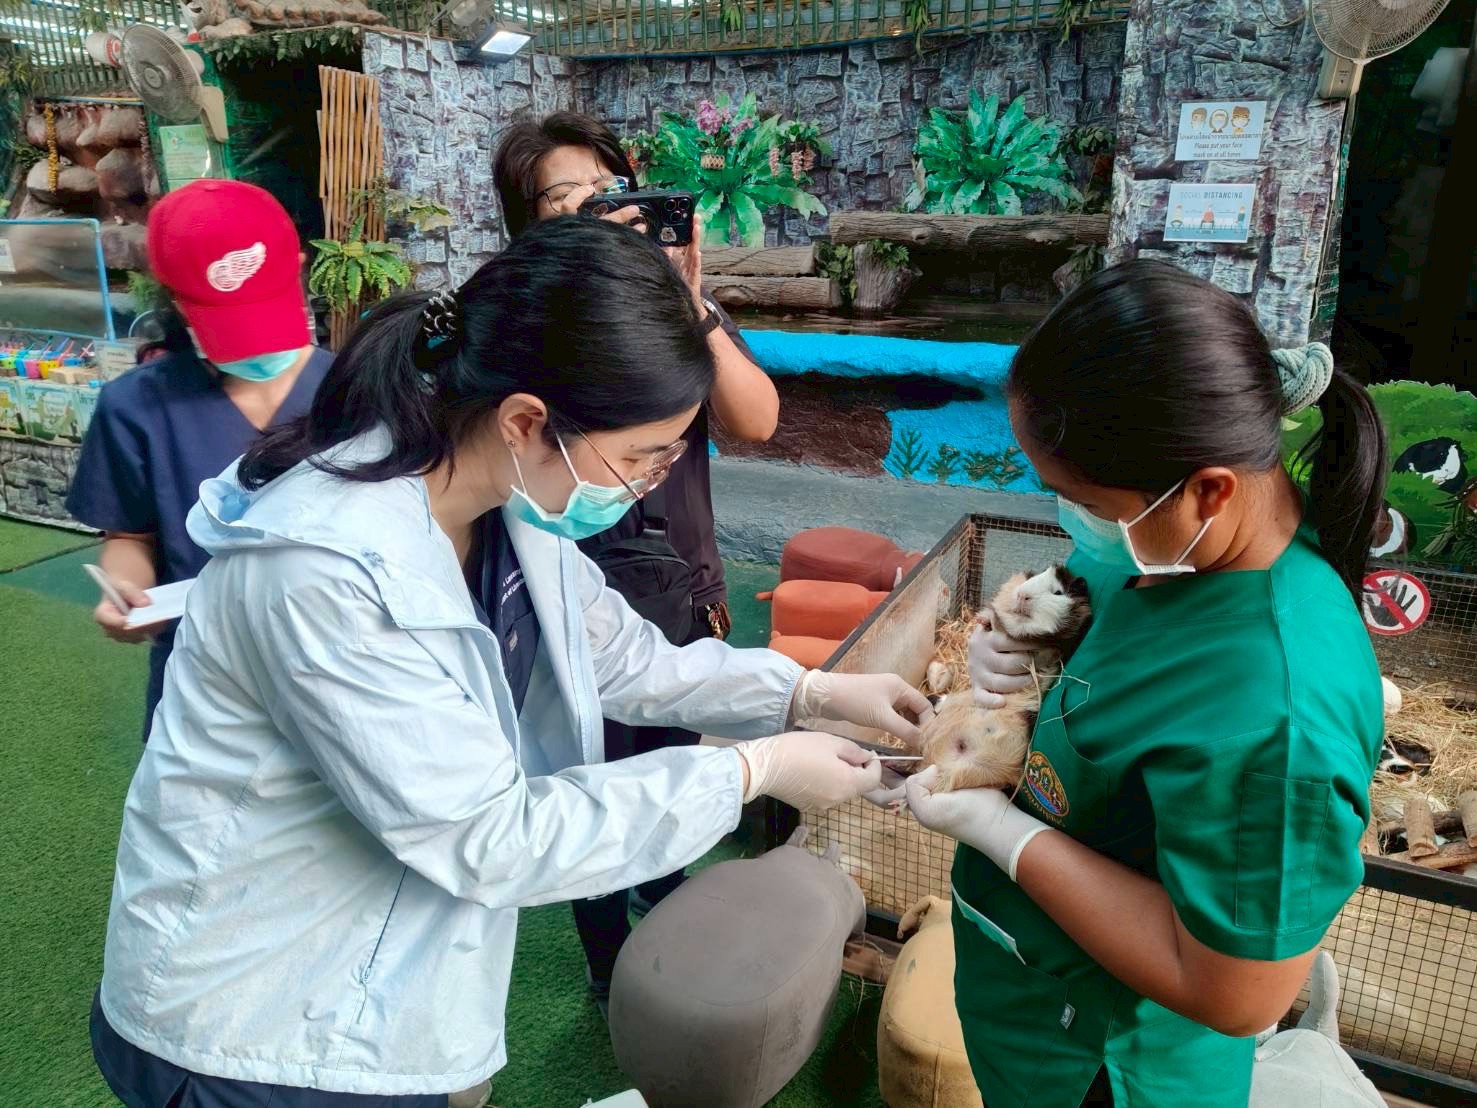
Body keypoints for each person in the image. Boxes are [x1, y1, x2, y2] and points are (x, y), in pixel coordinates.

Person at [91, 217, 931, 1107]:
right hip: (253, 1020)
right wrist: (751, 773)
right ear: (527, 422)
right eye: (639, 458)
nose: (643, 484)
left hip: (381, 963)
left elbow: (626, 660)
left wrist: (811, 692)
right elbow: (488, 834)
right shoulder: (325, 572)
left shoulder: (504, 511)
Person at [903, 260, 1386, 1107]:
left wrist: (1002, 832)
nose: (1077, 524)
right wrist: (1009, 647)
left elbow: (1240, 994)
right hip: (1029, 989)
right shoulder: (1175, 545)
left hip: (1106, 1060)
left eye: (1086, 502)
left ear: (1207, 491)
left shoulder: (1275, 716)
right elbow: (1095, 604)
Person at [493, 112, 782, 1010]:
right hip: (570, 581)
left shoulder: (673, 308)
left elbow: (757, 420)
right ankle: (607, 953)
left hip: (678, 584)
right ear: (528, 221)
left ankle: (663, 900)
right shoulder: (525, 322)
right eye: (564, 196)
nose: (594, 206)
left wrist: (686, 299)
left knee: (671, 742)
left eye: (607, 188)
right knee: (589, 771)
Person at [66, 179, 331, 739]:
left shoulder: (357, 391)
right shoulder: (135, 406)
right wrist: (127, 591)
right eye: (229, 323)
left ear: (299, 268)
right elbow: (130, 536)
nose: (256, 348)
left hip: (342, 665)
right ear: (174, 301)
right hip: (203, 676)